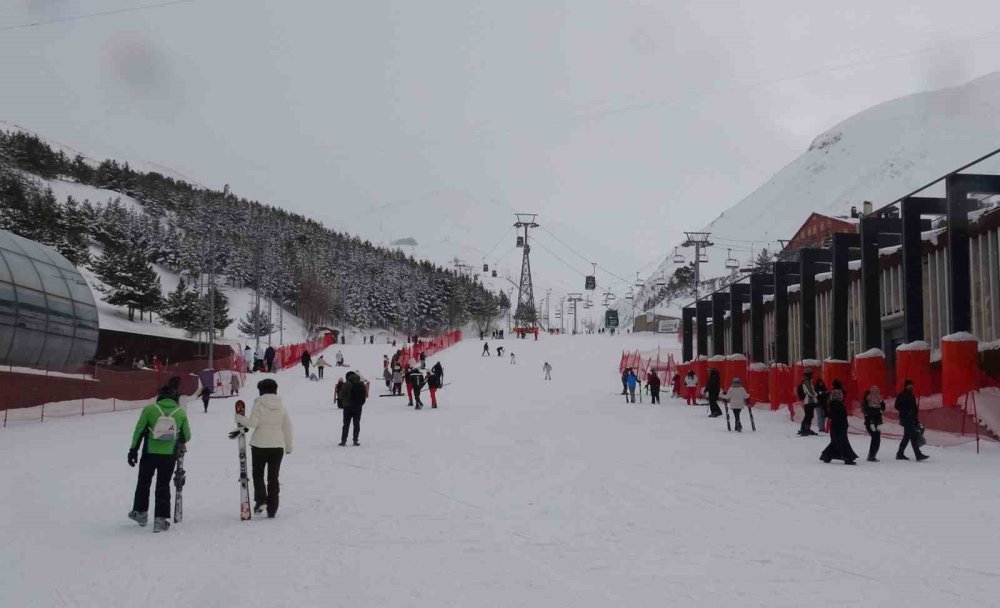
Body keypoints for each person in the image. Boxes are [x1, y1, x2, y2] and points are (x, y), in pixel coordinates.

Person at [127, 377, 191, 533]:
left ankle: (140, 513)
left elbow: (139, 431)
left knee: (144, 482)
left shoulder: (150, 410)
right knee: (163, 485)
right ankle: (160, 520)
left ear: (160, 397)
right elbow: (187, 436)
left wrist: (133, 450)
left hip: (149, 452)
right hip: (169, 455)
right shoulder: (180, 413)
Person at [235, 378, 293, 518]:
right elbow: (287, 427)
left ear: (261, 390)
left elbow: (253, 423)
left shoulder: (259, 403)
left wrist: (239, 418)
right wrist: (288, 446)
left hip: (260, 445)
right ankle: (272, 508)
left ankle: (261, 500)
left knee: (258, 474)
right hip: (277, 446)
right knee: (273, 477)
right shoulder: (281, 406)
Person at [820, 380, 858, 465]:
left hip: (837, 423)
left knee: (836, 440)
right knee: (840, 440)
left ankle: (827, 456)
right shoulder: (837, 401)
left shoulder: (832, 398)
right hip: (839, 423)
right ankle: (847, 457)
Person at [895, 379, 929, 461]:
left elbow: (914, 408)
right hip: (906, 419)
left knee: (906, 437)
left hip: (912, 419)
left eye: (912, 385)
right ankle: (918, 454)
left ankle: (900, 454)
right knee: (913, 436)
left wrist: (916, 419)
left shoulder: (911, 395)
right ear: (906, 386)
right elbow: (897, 406)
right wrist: (906, 412)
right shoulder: (902, 395)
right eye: (909, 385)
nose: (911, 386)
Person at [338, 371, 367, 446]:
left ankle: (343, 441)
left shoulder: (347, 384)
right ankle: (355, 440)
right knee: (356, 424)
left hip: (347, 407)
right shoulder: (361, 383)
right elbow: (365, 395)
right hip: (358, 407)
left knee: (346, 425)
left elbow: (340, 395)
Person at [862, 385, 886, 462]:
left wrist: (880, 411)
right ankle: (871, 455)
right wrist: (876, 412)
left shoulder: (880, 399)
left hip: (877, 421)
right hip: (871, 421)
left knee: (876, 438)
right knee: (875, 437)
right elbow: (865, 410)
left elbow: (883, 406)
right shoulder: (867, 399)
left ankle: (872, 455)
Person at [797, 371, 818, 436]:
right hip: (809, 401)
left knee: (809, 415)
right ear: (808, 375)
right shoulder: (806, 382)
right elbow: (810, 392)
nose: (812, 376)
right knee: (808, 416)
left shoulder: (808, 381)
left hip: (809, 401)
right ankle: (805, 429)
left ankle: (804, 429)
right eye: (810, 375)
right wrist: (817, 394)